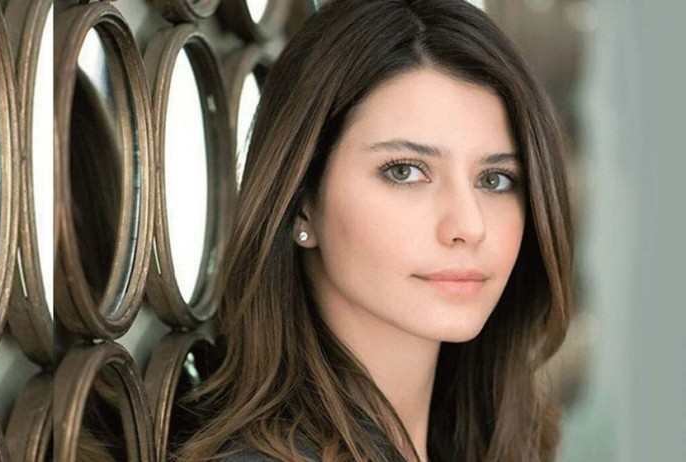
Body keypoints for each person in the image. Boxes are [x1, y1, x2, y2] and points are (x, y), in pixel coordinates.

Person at [178, 0, 574, 460]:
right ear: (302, 202)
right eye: (405, 171)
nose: (469, 226)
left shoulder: (488, 441)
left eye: (495, 180)